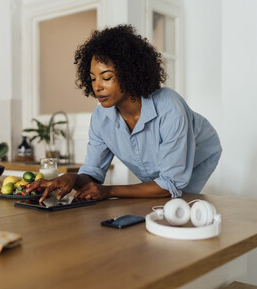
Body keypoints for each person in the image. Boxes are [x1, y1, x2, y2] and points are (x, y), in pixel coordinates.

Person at [26, 24, 222, 202]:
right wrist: (72, 178)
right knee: (158, 201)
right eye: (93, 79)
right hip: (162, 175)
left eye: (107, 77)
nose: (97, 87)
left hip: (198, 157)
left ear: (130, 73)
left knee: (177, 203)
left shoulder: (169, 106)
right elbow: (93, 172)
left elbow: (170, 184)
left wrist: (109, 191)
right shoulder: (101, 118)